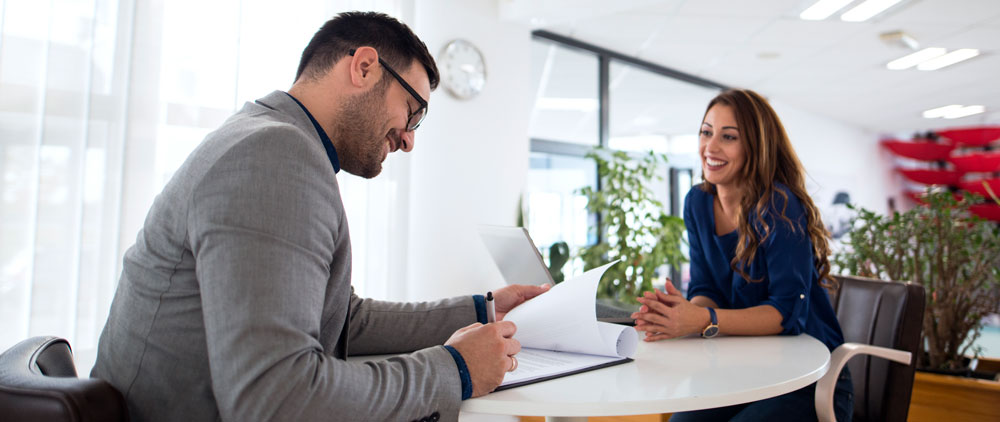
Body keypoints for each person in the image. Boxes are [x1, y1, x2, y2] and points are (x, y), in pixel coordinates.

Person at [91, 11, 548, 422]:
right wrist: (456, 370)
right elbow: (275, 397)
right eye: (412, 112)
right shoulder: (273, 154)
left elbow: (343, 319)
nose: (409, 140)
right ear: (364, 67)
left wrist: (485, 309)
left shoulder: (268, 139)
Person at [631, 88, 853, 421]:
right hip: (742, 367)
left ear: (755, 146)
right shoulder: (697, 202)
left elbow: (788, 313)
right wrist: (681, 315)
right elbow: (707, 288)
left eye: (729, 137)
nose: (711, 147)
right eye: (706, 132)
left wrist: (703, 320)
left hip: (810, 377)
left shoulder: (779, 205)